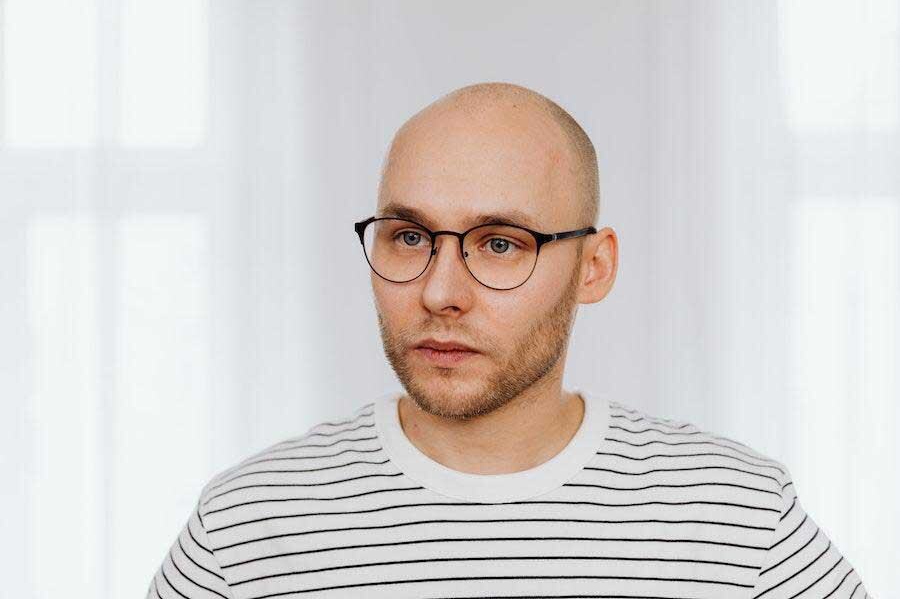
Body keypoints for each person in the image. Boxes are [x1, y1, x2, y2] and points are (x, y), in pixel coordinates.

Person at [146, 82, 869, 598]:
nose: (440, 291)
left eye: (498, 244)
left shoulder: (736, 518)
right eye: (409, 236)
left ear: (594, 266)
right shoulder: (248, 527)